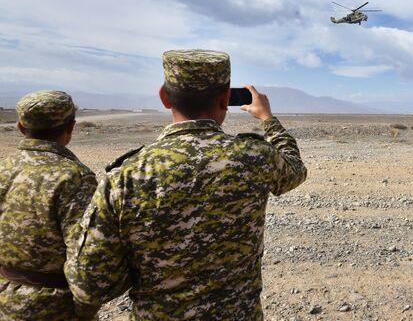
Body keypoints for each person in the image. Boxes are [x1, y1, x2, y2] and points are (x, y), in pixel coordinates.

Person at [65, 49, 307, 320]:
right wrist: (268, 119)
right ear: (225, 98)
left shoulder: (125, 177)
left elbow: (89, 286)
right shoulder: (254, 156)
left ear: (164, 97)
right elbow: (295, 169)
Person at [0, 90, 98, 321]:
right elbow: (85, 255)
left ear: (21, 128)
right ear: (71, 128)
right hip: (53, 306)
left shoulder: (3, 168)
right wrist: (85, 311)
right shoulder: (74, 177)